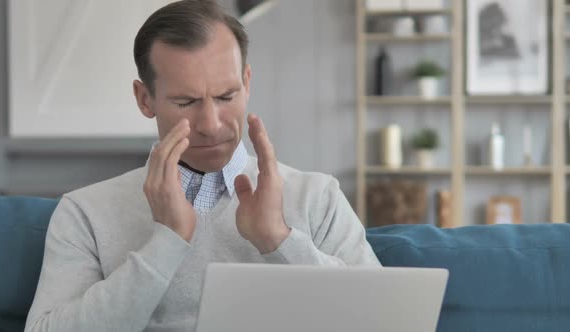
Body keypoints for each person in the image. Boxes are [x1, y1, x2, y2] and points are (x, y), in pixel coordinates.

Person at [25, 1, 380, 331]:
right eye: (186, 101)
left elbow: (386, 320)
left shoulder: (318, 197)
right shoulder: (85, 212)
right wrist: (166, 242)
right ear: (144, 99)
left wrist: (279, 240)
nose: (211, 124)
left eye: (226, 97)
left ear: (247, 83)